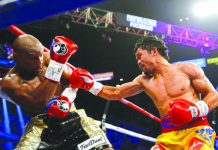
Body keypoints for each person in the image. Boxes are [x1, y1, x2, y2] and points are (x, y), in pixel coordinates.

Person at [70, 36, 218, 149]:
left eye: (140, 56)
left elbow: (214, 96)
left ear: (154, 51)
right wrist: (88, 84)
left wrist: (194, 111)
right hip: (168, 135)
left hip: (196, 130)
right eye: (136, 59)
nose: (138, 61)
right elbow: (115, 92)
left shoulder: (187, 69)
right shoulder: (143, 80)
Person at [0, 34, 112, 150]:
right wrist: (57, 63)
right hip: (42, 126)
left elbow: (74, 80)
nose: (39, 61)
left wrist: (67, 97)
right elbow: (41, 101)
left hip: (73, 118)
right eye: (33, 57)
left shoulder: (48, 59)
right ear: (16, 57)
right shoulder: (9, 82)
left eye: (40, 55)